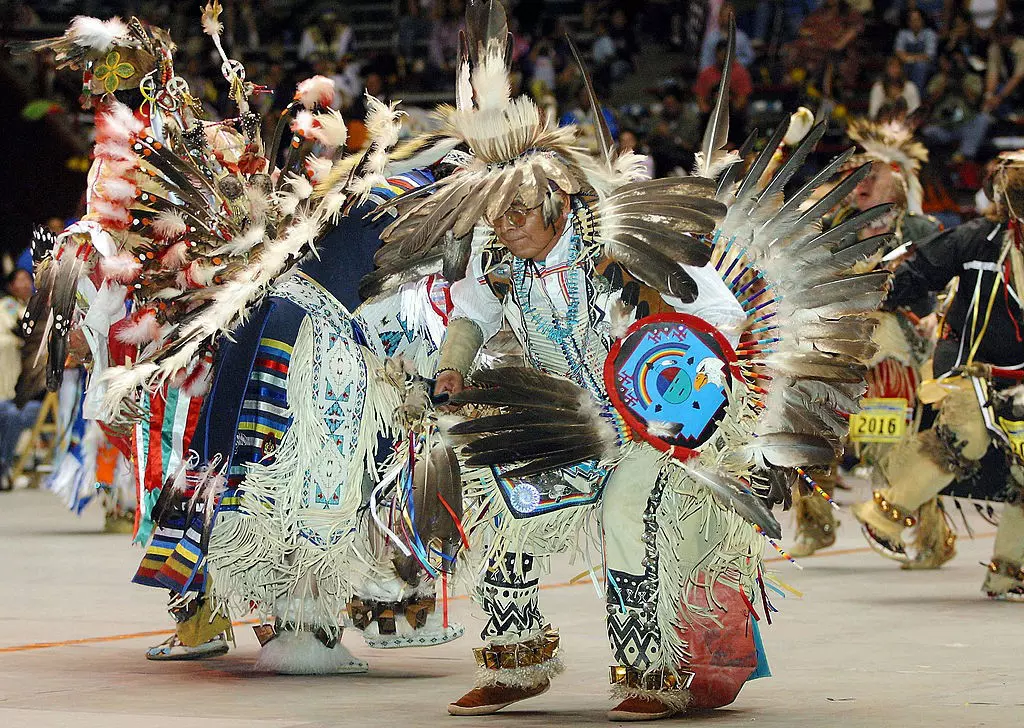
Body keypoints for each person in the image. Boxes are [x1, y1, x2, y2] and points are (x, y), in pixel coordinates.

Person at [368, 4, 889, 720]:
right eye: (496, 216)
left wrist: (682, 385)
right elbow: (471, 313)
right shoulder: (506, 266)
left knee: (627, 512)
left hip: (653, 424)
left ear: (557, 202)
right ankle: (517, 662)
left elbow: (713, 315)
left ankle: (651, 671)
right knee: (498, 492)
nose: (504, 227)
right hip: (572, 421)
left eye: (517, 213)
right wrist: (453, 370)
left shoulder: (620, 254)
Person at [851, 151, 1024, 601]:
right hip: (968, 364)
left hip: (1019, 374)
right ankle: (887, 510)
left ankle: (1008, 571)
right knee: (967, 433)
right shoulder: (979, 240)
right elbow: (917, 273)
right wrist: (880, 295)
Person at [789, 116, 945, 561]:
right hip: (835, 345)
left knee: (887, 442)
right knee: (807, 434)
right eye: (855, 173)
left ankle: (918, 533)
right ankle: (815, 524)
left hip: (889, 349)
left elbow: (935, 294)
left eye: (872, 174)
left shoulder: (920, 233)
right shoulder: (833, 224)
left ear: (895, 183)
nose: (860, 181)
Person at [0, 268, 37, 489]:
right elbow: (20, 329)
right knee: (11, 414)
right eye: (19, 280)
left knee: (20, 414)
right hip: (7, 388)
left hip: (28, 392)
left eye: (28, 280)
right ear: (11, 285)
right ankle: (5, 466)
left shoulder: (34, 306)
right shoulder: (9, 307)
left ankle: (5, 466)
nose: (24, 284)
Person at [694, 39, 753, 139]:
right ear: (716, 54)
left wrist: (727, 111)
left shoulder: (740, 73)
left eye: (726, 54)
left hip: (733, 116)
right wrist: (710, 114)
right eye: (721, 54)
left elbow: (742, 100)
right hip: (711, 115)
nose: (723, 57)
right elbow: (700, 99)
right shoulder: (706, 74)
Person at [895, 9, 938, 93]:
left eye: (917, 20)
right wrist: (912, 59)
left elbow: (929, 55)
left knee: (920, 66)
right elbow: (899, 53)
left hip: (928, 66)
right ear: (908, 22)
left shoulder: (929, 33)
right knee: (899, 67)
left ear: (922, 21)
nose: (915, 23)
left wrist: (909, 58)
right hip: (906, 64)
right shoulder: (903, 34)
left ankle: (916, 95)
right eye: (912, 20)